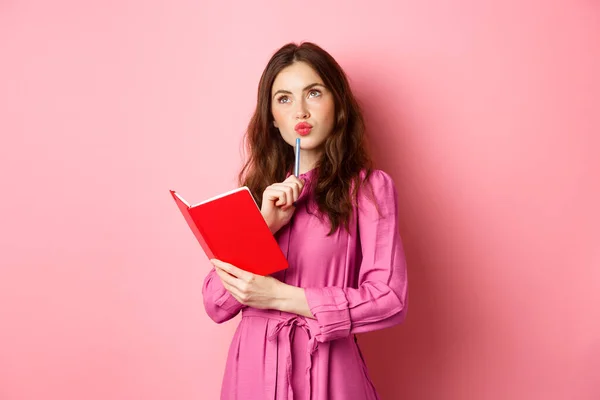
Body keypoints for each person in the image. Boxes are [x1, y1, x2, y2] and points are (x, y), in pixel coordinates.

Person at [202, 42, 408, 400]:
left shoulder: (368, 189)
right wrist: (264, 226)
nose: (300, 110)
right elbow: (216, 303)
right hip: (252, 375)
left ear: (338, 104)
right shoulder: (252, 197)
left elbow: (389, 298)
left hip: (328, 370)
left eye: (313, 92)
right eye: (283, 98)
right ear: (271, 117)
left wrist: (281, 297)